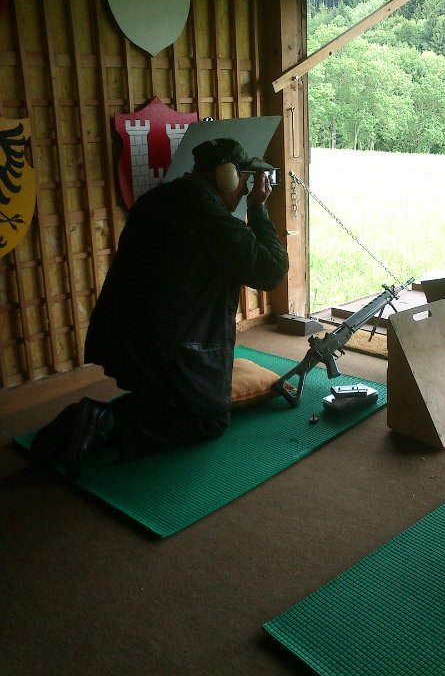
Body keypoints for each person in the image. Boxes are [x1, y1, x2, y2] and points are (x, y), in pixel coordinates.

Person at [30, 138, 289, 478]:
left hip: (123, 339)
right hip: (172, 346)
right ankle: (104, 421)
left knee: (169, 401)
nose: (245, 189)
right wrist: (258, 209)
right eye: (244, 178)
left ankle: (88, 422)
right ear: (225, 176)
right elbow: (271, 271)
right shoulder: (210, 218)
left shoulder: (157, 199)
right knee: (208, 420)